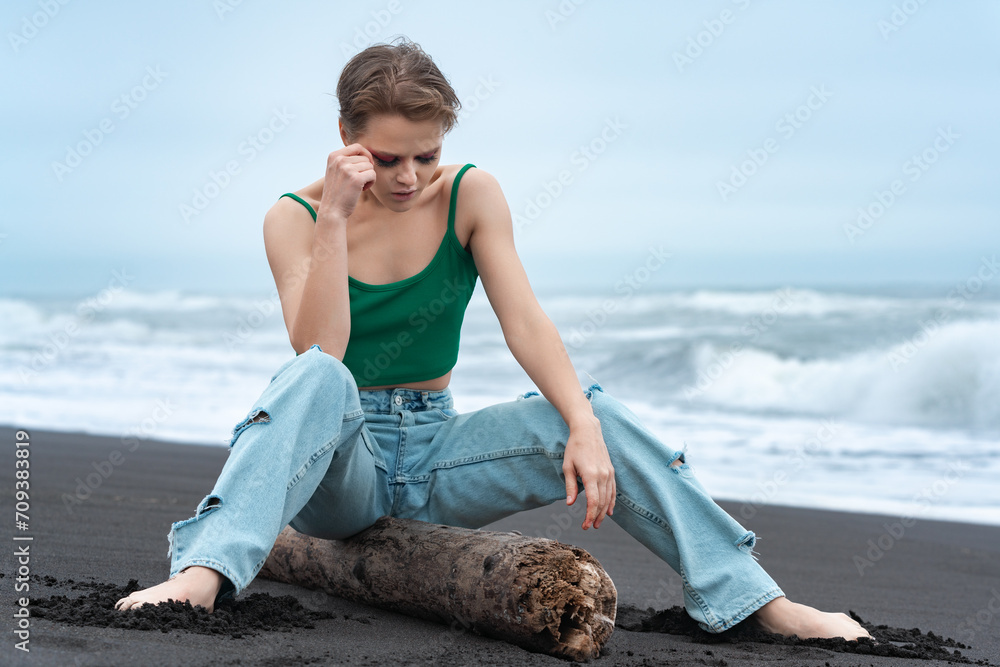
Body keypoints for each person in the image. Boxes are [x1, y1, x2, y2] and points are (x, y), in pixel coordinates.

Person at [116, 37, 870, 642]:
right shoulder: (294, 217)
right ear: (346, 138)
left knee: (592, 412)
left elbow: (525, 322)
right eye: (388, 158)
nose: (409, 176)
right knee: (315, 377)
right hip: (343, 471)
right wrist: (336, 218)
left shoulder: (470, 194)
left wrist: (581, 424)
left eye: (426, 155)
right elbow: (322, 350)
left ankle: (753, 599)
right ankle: (202, 574)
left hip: (439, 456)